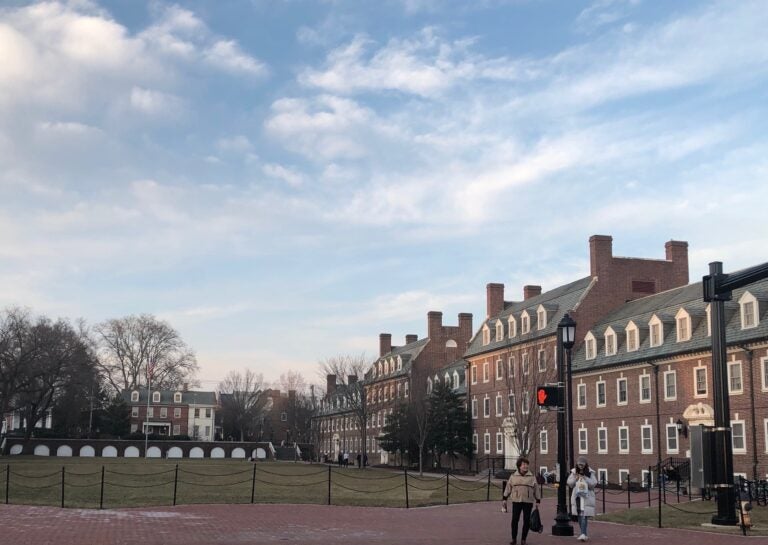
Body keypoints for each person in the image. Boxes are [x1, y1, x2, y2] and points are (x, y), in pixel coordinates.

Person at [501, 456, 541, 545]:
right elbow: (508, 488)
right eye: (523, 464)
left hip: (528, 501)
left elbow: (536, 489)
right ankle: (514, 538)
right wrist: (504, 499)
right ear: (519, 466)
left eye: (527, 464)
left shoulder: (532, 477)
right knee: (515, 520)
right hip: (516, 501)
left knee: (526, 520)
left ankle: (523, 539)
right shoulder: (513, 476)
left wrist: (538, 500)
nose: (525, 466)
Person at [567, 456, 597, 542]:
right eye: (579, 464)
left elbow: (593, 484)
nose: (581, 466)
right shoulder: (573, 472)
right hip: (577, 497)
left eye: (582, 464)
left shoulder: (590, 472)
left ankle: (583, 534)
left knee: (584, 515)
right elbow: (569, 483)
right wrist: (575, 478)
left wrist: (585, 478)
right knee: (580, 515)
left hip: (586, 497)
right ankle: (584, 533)